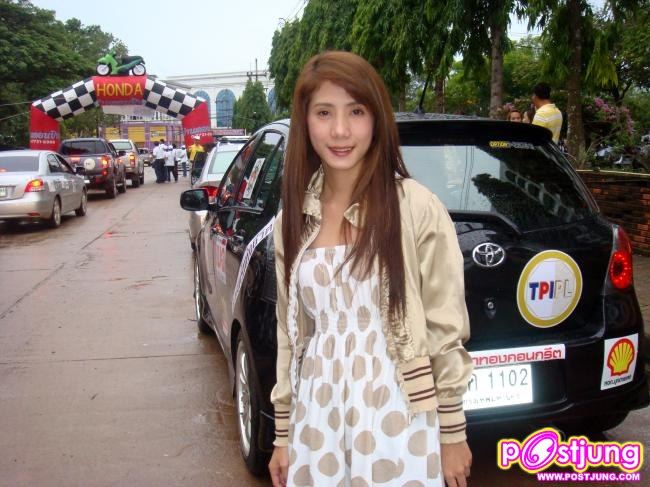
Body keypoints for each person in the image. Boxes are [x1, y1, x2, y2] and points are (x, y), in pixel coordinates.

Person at [268, 51, 473, 487]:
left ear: (376, 118)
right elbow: (289, 333)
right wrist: (283, 433)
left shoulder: (415, 206)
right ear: (305, 122)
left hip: (397, 409)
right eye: (324, 113)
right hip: (318, 410)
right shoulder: (293, 220)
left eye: (356, 112)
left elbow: (445, 324)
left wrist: (453, 431)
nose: (340, 130)